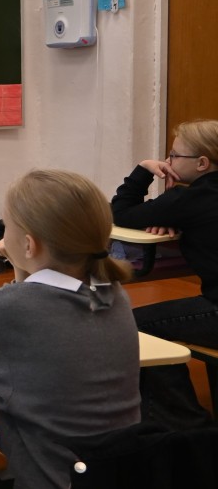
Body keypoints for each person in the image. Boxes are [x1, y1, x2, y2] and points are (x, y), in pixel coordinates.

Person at [0, 169, 140, 489]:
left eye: (6, 227)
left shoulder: (10, 307)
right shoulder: (112, 294)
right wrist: (24, 268)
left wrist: (19, 270)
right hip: (112, 476)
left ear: (29, 245)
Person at [110, 119, 218, 428]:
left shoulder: (191, 199)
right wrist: (169, 214)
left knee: (133, 326)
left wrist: (144, 170)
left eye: (173, 156)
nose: (167, 162)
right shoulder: (190, 201)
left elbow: (120, 212)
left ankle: (183, 421)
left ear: (201, 163)